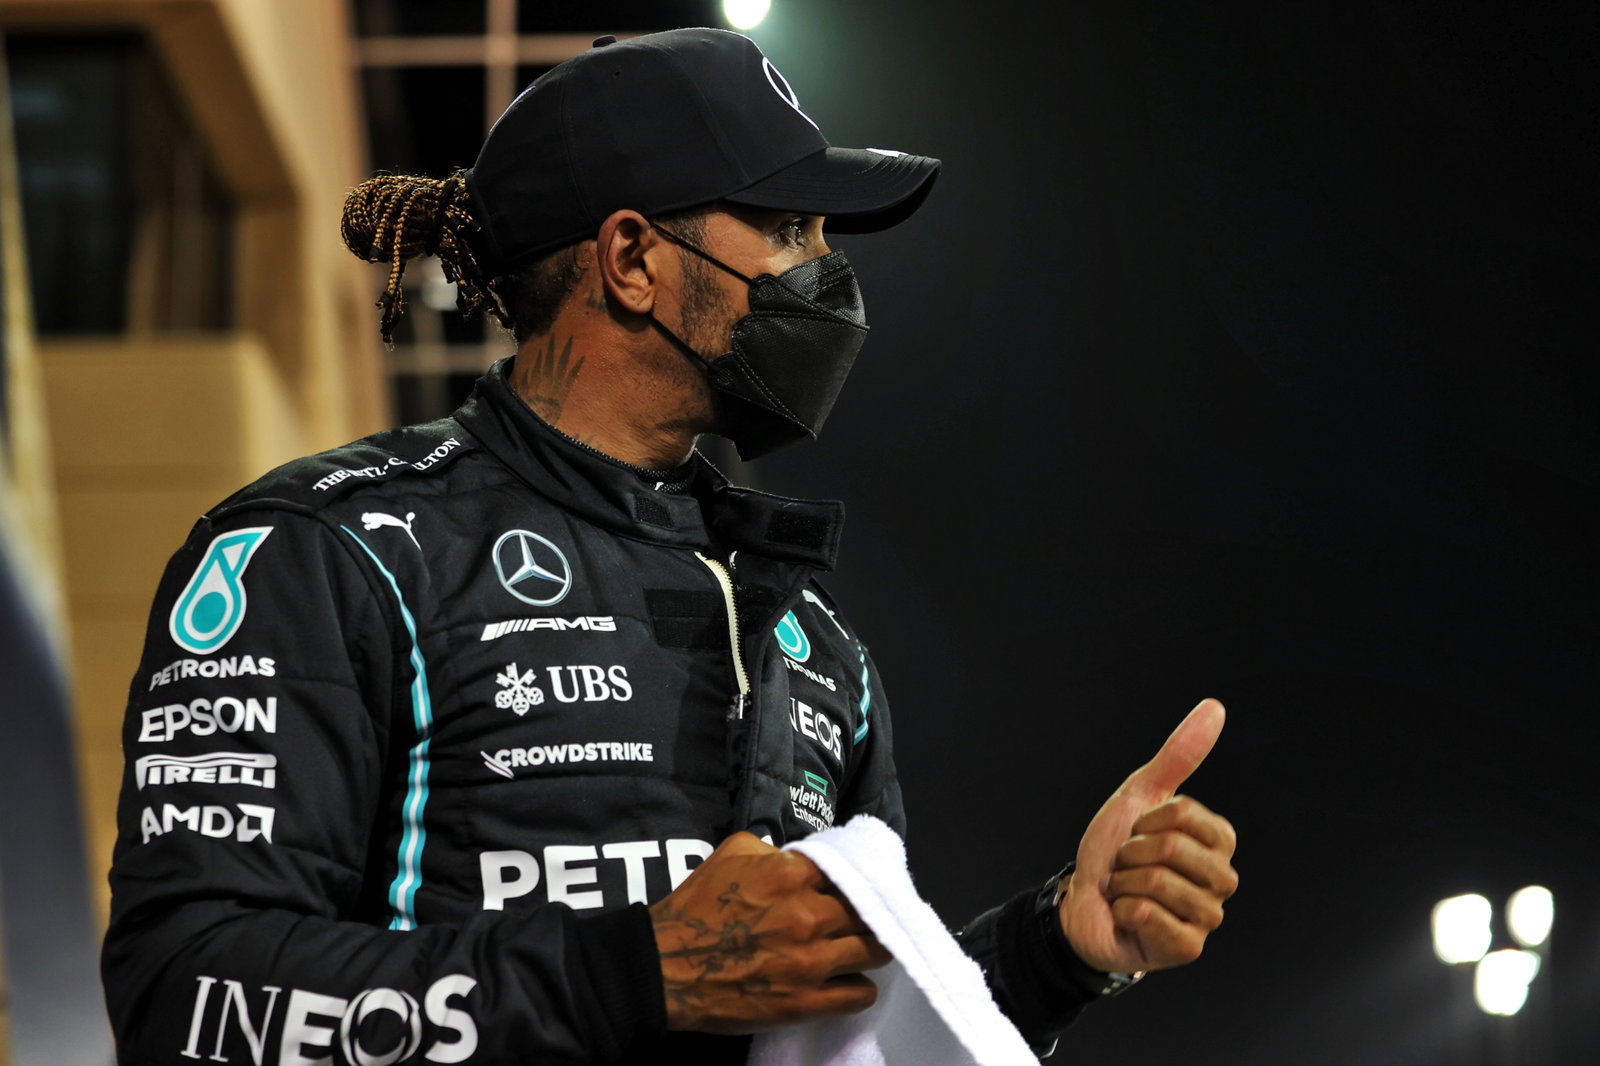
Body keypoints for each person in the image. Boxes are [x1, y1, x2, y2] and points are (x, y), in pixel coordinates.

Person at [101, 28, 1238, 1064]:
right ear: (632, 259)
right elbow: (181, 994)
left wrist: (1061, 946)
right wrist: (630, 974)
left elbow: (856, 1029)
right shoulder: (328, 551)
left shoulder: (809, 640)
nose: (827, 274)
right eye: (787, 227)